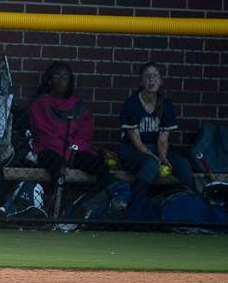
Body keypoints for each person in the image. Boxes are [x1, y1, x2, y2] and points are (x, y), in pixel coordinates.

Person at [118, 61, 196, 217]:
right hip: (132, 151)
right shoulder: (131, 104)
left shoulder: (165, 105)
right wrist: (154, 157)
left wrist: (163, 157)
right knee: (151, 164)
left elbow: (163, 137)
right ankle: (134, 213)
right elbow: (135, 138)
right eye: (147, 76)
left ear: (160, 81)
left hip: (156, 148)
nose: (151, 79)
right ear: (141, 81)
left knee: (183, 164)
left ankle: (193, 209)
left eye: (155, 76)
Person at [28, 62, 110, 185]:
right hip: (51, 151)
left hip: (74, 153)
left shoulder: (78, 106)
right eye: (57, 75)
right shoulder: (40, 104)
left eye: (66, 76)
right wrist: (65, 153)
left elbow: (84, 135)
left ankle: (95, 200)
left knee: (99, 164)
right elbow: (44, 134)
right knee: (51, 159)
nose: (62, 79)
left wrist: (70, 152)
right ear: (49, 80)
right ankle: (56, 199)